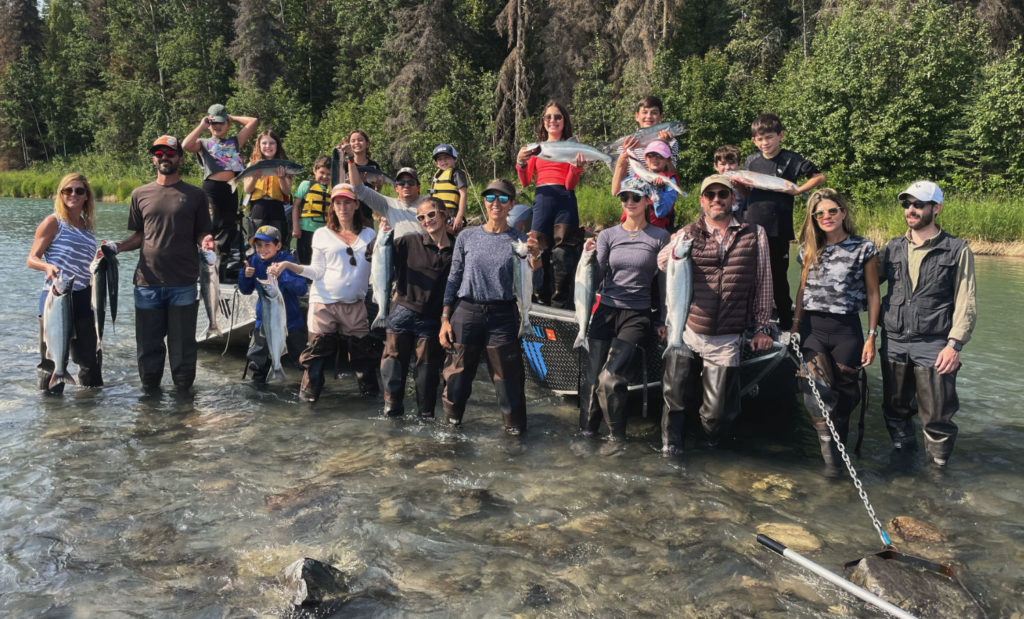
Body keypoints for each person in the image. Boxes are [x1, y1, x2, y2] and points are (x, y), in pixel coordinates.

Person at [658, 174, 774, 454]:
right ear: (702, 201)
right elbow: (662, 263)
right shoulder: (689, 232)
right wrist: (676, 244)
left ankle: (708, 452)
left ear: (734, 199)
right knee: (675, 401)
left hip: (727, 336)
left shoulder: (754, 233)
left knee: (717, 413)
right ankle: (671, 452)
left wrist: (762, 327)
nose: (716, 200)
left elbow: (764, 282)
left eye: (723, 194)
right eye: (710, 195)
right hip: (688, 331)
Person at [878, 181, 977, 468]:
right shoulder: (893, 247)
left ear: (937, 208)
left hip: (935, 343)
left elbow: (966, 300)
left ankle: (937, 475)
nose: (911, 209)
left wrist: (954, 344)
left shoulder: (956, 249)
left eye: (918, 204)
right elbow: (867, 286)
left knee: (936, 417)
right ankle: (903, 463)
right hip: (894, 341)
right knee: (895, 409)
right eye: (907, 204)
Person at [102, 136, 212, 392]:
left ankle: (184, 404)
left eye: (170, 153)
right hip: (146, 284)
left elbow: (201, 233)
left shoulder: (196, 195)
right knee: (148, 347)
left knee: (183, 348)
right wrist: (116, 247)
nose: (165, 157)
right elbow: (140, 236)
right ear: (154, 159)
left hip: (184, 283)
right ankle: (149, 404)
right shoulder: (140, 194)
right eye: (159, 153)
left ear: (180, 159)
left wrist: (206, 240)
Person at [440, 179, 541, 434]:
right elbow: (453, 278)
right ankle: (451, 427)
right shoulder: (467, 236)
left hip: (503, 314)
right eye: (491, 198)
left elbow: (534, 283)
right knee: (457, 376)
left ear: (512, 205)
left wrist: (536, 257)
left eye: (503, 199)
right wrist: (444, 318)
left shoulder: (521, 240)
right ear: (484, 202)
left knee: (508, 379)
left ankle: (514, 431)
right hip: (467, 311)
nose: (496, 203)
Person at [791, 189, 880, 474]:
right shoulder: (808, 248)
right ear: (814, 219)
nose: (826, 217)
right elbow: (802, 290)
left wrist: (871, 336)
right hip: (813, 331)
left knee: (844, 401)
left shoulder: (863, 247)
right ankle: (831, 467)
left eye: (832, 211)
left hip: (847, 332)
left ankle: (840, 465)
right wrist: (794, 327)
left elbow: (873, 293)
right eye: (820, 214)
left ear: (843, 213)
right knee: (816, 398)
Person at [579, 177, 670, 441]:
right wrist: (589, 260)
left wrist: (663, 318)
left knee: (610, 378)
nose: (629, 202)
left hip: (637, 314)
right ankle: (586, 433)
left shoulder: (660, 237)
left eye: (635, 198)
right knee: (593, 379)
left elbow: (665, 284)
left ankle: (616, 438)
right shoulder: (608, 235)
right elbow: (596, 280)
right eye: (624, 198)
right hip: (606, 310)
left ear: (646, 202)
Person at [271, 183, 378, 402]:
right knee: (315, 361)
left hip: (355, 305)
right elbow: (316, 272)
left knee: (364, 360)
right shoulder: (322, 234)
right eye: (338, 203)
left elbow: (379, 266)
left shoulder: (370, 234)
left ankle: (371, 404)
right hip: (323, 305)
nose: (343, 207)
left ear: (356, 204)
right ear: (332, 206)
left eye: (347, 202)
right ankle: (307, 403)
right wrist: (288, 266)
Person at [739, 113, 825, 330]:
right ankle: (750, 320)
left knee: (778, 277)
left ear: (781, 136)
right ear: (753, 141)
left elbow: (819, 177)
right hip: (752, 227)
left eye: (768, 137)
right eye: (759, 139)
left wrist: (798, 190)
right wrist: (736, 183)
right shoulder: (751, 161)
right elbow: (747, 194)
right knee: (749, 275)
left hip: (779, 229)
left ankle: (787, 324)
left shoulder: (791, 159)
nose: (764, 143)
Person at [26, 173, 103, 392]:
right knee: (51, 359)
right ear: (61, 194)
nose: (73, 195)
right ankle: (52, 413)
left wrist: (100, 259)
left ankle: (90, 412)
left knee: (89, 360)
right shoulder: (53, 222)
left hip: (82, 297)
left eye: (79, 191)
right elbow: (32, 258)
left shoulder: (87, 227)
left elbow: (84, 264)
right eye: (67, 190)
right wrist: (46, 267)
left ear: (86, 196)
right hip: (55, 296)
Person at [380, 197, 455, 418]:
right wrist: (382, 234)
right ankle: (392, 415)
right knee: (393, 368)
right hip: (402, 312)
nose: (426, 220)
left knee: (427, 374)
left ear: (443, 214)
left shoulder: (458, 248)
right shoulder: (408, 241)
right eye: (421, 217)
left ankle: (426, 420)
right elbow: (375, 254)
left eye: (431, 214)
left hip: (432, 319)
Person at [516, 101, 585, 308]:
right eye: (548, 117)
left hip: (565, 199)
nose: (553, 120)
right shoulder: (535, 148)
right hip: (542, 199)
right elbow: (525, 181)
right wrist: (520, 162)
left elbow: (570, 184)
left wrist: (576, 168)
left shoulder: (573, 146)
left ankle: (562, 304)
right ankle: (540, 301)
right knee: (540, 251)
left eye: (557, 117)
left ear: (564, 121)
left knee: (563, 254)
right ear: (543, 122)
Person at [182, 104, 258, 278]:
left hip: (230, 188)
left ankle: (221, 269)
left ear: (227, 124)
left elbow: (253, 122)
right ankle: (204, 269)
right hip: (211, 189)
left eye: (221, 123)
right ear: (209, 124)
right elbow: (185, 145)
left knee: (228, 228)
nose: (217, 126)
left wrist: (232, 117)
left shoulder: (234, 141)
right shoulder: (203, 143)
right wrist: (202, 125)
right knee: (211, 226)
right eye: (214, 123)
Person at [237, 225, 309, 383]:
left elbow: (301, 288)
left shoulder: (287, 261)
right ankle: (257, 398)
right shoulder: (254, 260)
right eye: (258, 245)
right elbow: (245, 290)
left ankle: (309, 392)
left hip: (292, 324)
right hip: (264, 323)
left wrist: (282, 275)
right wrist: (245, 275)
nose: (262, 249)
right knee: (257, 366)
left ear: (278, 245)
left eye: (267, 245)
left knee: (304, 362)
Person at [342, 139, 427, 238]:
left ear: (418, 187)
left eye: (411, 182)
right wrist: (351, 159)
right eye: (401, 183)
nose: (406, 185)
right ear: (396, 188)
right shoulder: (388, 205)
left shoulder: (428, 202)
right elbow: (359, 189)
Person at [611, 139, 680, 231]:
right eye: (650, 155)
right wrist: (621, 163)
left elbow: (661, 213)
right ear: (646, 159)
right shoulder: (636, 176)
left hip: (656, 231)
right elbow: (617, 191)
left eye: (660, 156)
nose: (654, 159)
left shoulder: (670, 181)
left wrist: (658, 190)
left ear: (667, 160)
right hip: (632, 229)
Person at [243, 129, 293, 244]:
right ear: (259, 145)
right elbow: (247, 190)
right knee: (256, 241)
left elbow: (286, 192)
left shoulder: (284, 164)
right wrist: (255, 178)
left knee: (277, 241)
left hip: (277, 207)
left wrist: (281, 178)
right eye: (264, 143)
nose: (268, 146)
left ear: (277, 145)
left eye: (271, 143)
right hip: (258, 206)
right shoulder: (252, 164)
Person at [618, 95, 679, 169]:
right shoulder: (626, 142)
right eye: (644, 112)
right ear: (637, 116)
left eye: (654, 113)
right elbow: (618, 179)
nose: (649, 116)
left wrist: (665, 145)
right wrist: (625, 154)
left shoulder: (672, 142)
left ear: (661, 117)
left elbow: (672, 173)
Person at [290, 155, 332, 264]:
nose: (325, 176)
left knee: (321, 261)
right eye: (322, 173)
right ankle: (306, 281)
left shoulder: (332, 189)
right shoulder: (306, 185)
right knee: (305, 261)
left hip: (324, 231)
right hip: (305, 230)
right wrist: (296, 228)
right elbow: (296, 207)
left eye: (328, 174)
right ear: (315, 170)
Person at [429, 144, 468, 231]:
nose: (443, 161)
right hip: (436, 214)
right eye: (440, 159)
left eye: (446, 158)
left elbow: (463, 194)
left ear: (455, 159)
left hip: (451, 214)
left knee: (450, 239)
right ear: (436, 163)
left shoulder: (457, 174)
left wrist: (459, 216)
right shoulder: (438, 175)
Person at [713, 144, 748, 215]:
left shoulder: (746, 185)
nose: (727, 167)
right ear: (716, 166)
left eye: (731, 163)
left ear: (739, 164)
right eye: (723, 164)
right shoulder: (711, 186)